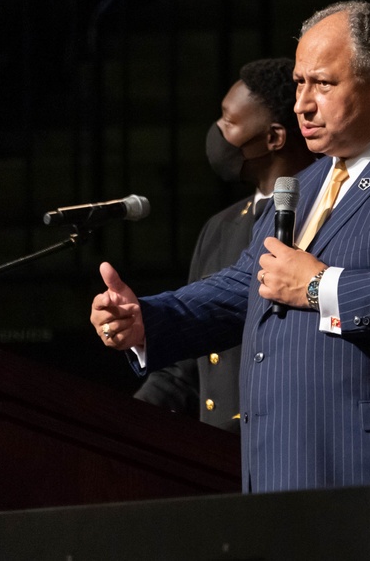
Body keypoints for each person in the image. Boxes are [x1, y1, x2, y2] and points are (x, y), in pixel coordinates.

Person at [91, 1, 370, 558]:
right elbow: (249, 284)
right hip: (286, 483)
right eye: (297, 83)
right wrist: (149, 318)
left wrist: (319, 287)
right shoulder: (308, 183)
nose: (301, 105)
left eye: (322, 83)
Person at [133, 57, 315, 432]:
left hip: (285, 438)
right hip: (217, 451)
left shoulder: (325, 210)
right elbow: (184, 370)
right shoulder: (221, 226)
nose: (218, 132)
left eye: (230, 123)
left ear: (274, 138)